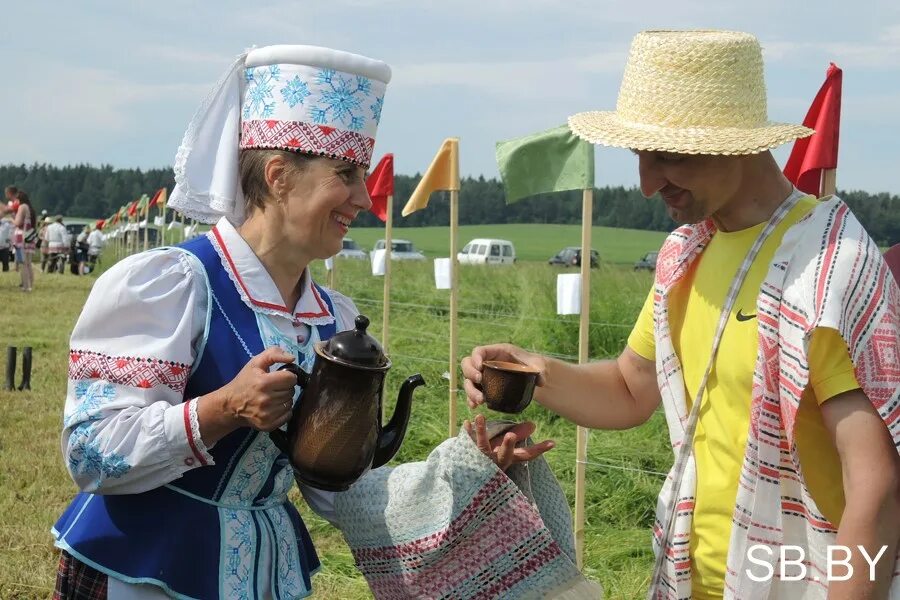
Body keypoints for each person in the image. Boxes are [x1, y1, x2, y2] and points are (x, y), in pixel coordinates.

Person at [53, 45, 579, 600]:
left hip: (263, 577)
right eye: (346, 175)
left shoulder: (335, 319)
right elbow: (91, 454)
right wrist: (221, 408)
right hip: (140, 571)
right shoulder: (171, 285)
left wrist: (466, 476)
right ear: (279, 176)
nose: (363, 198)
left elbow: (334, 485)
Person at [464, 30, 900, 599]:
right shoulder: (684, 253)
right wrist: (536, 371)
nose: (647, 183)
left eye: (668, 155)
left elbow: (877, 486)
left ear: (736, 143)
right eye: (641, 155)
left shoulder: (827, 267)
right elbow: (629, 388)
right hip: (688, 580)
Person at [8, 190, 37, 291]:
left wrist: (11, 218)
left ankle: (25, 286)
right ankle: (30, 285)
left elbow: (17, 222)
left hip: (21, 237)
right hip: (30, 236)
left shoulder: (22, 207)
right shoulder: (30, 208)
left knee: (22, 263)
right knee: (28, 263)